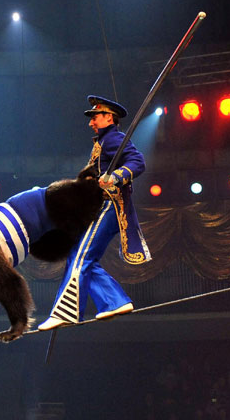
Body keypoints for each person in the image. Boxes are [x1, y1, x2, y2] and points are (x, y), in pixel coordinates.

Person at [38, 95, 151, 330]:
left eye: (95, 117)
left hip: (109, 206)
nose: (91, 122)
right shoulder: (103, 141)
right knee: (78, 256)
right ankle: (114, 301)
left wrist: (115, 177)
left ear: (109, 117)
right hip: (101, 207)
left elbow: (137, 161)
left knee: (81, 257)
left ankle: (66, 312)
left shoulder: (113, 138)